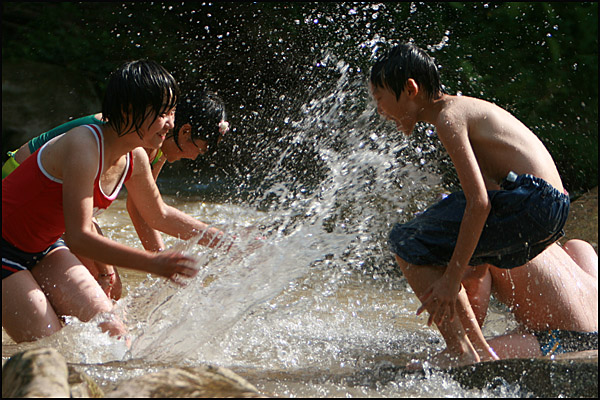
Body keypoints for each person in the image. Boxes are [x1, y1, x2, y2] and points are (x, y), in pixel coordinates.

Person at [2, 60, 231, 344]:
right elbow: (80, 237)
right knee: (53, 345)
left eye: (172, 112)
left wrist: (229, 242)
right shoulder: (84, 145)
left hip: (45, 247)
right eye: (163, 113)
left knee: (115, 335)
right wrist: (153, 262)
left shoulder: (136, 157)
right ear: (127, 110)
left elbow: (158, 214)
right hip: (4, 249)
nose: (171, 123)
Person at [370, 43, 570, 368]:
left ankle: (458, 351)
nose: (379, 110)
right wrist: (459, 266)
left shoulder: (449, 116)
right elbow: (487, 192)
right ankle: (478, 352)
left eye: (380, 98)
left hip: (535, 202)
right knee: (433, 245)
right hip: (550, 208)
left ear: (410, 89)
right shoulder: (460, 112)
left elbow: (479, 203)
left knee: (406, 241)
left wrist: (451, 280)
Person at [484, 240, 597, 359]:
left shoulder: (481, 247)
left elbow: (473, 311)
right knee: (576, 245)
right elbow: (582, 246)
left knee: (474, 353)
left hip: (564, 340)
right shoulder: (541, 234)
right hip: (594, 316)